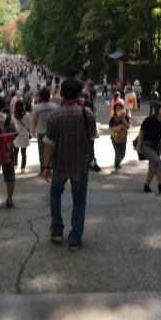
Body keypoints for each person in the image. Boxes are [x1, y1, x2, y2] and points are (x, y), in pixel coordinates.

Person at [43, 78, 96, 251]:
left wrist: (45, 167)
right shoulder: (87, 114)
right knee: (79, 201)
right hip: (81, 165)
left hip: (60, 164)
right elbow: (92, 138)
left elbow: (49, 144)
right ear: (78, 94)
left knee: (55, 194)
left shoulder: (54, 116)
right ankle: (75, 238)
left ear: (62, 94)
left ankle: (57, 230)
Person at [136, 104, 161, 194]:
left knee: (152, 168)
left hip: (157, 146)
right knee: (157, 161)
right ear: (158, 111)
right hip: (146, 145)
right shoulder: (149, 120)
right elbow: (141, 132)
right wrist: (139, 146)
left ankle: (146, 185)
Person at [30, 87, 57, 175]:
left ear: (40, 97)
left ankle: (43, 169)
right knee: (52, 150)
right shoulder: (54, 106)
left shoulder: (37, 107)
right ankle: (52, 167)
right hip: (53, 132)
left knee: (42, 151)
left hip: (41, 132)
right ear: (49, 96)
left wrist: (32, 131)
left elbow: (34, 121)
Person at [109, 105, 130, 174]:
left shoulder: (125, 117)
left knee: (123, 154)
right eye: (118, 109)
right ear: (115, 111)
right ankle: (116, 167)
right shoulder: (113, 118)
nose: (120, 110)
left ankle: (118, 164)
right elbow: (110, 128)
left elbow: (128, 126)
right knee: (118, 153)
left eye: (121, 109)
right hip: (115, 139)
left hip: (123, 139)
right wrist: (116, 129)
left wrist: (123, 119)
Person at [13, 100, 31, 172]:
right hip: (24, 134)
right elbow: (30, 124)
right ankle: (23, 167)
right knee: (23, 152)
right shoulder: (27, 115)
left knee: (15, 151)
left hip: (17, 135)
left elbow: (12, 125)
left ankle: (15, 164)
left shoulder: (14, 115)